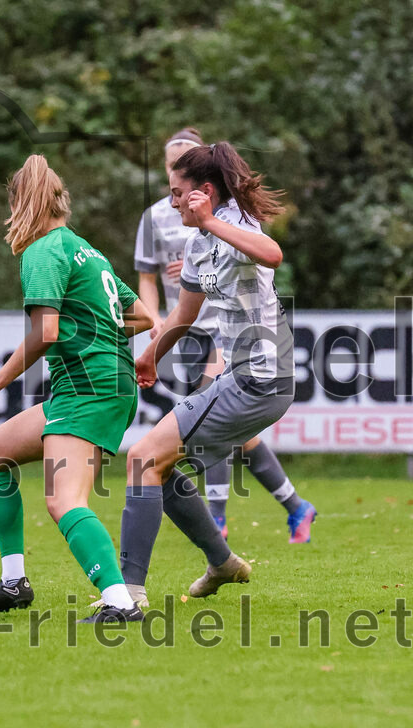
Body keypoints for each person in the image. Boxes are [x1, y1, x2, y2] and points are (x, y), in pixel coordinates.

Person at [0, 154, 155, 623]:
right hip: (93, 384)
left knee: (63, 499)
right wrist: (96, 336)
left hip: (89, 387)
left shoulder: (44, 251)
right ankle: (14, 582)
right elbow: (144, 316)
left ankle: (120, 603)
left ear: (23, 203)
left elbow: (46, 332)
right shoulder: (84, 248)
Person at [122, 140, 303, 605]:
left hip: (261, 379)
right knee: (156, 466)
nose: (173, 202)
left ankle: (128, 596)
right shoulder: (199, 243)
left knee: (143, 458)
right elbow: (184, 314)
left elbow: (272, 254)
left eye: (178, 193)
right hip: (243, 377)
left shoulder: (236, 225)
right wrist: (151, 354)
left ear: (204, 192)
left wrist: (210, 221)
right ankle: (222, 564)